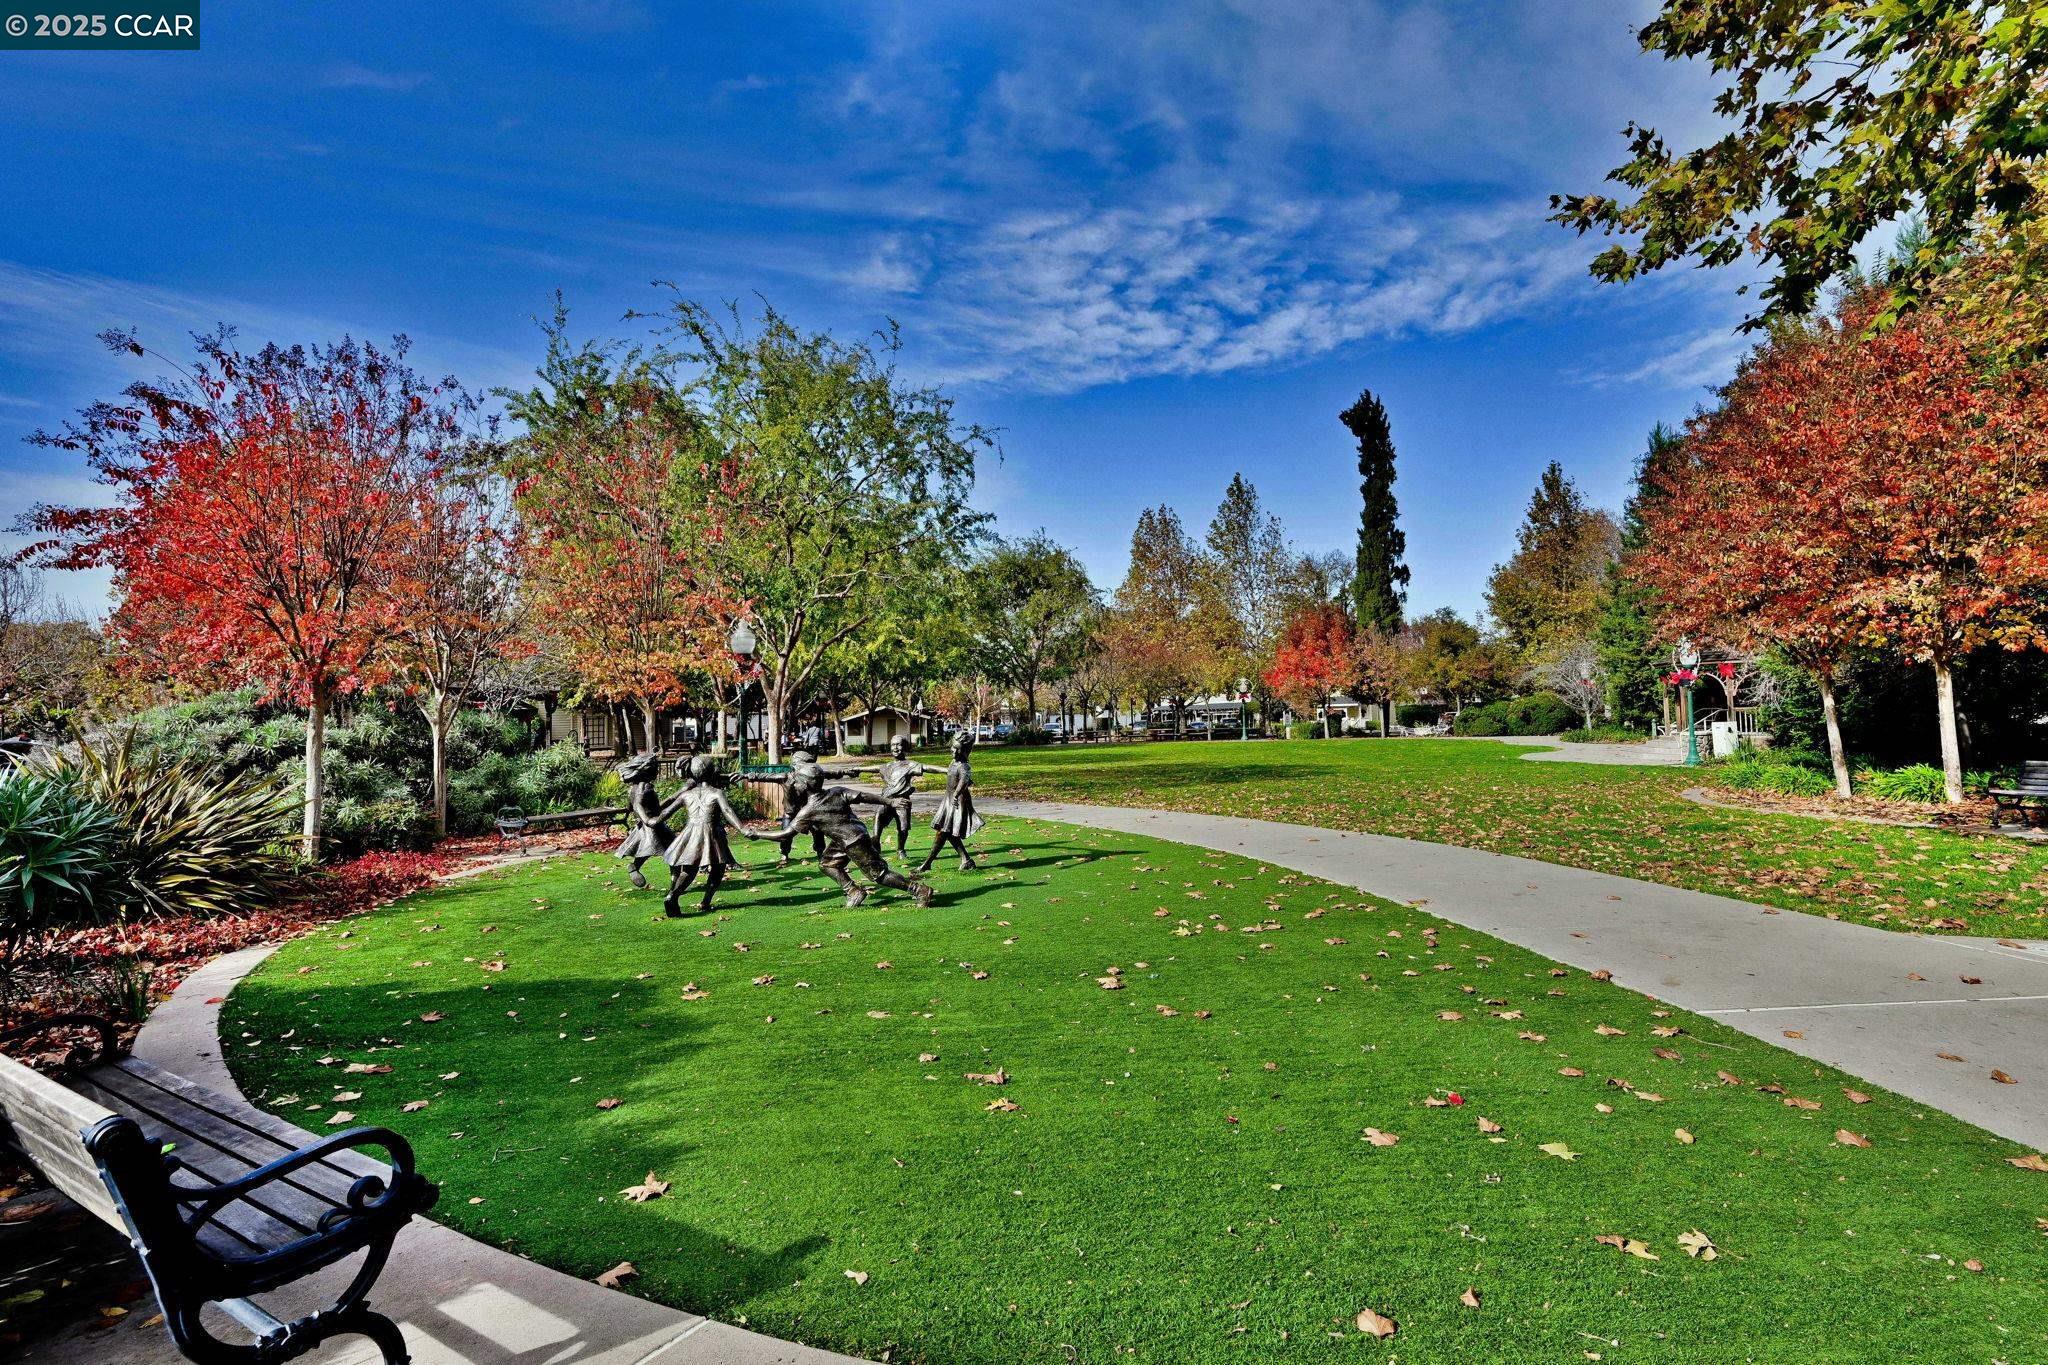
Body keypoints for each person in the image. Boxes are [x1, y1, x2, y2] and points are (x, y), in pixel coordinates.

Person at [781, 784, 934, 907]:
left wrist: (757, 833)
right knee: (827, 864)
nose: (795, 785)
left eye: (798, 782)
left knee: (879, 875)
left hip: (853, 840)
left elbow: (785, 834)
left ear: (806, 784)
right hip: (846, 837)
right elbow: (863, 796)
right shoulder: (836, 791)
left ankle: (920, 890)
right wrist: (889, 801)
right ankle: (854, 891)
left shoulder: (809, 810)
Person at [659, 755, 752, 917]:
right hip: (712, 834)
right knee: (718, 868)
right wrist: (741, 828)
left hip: (692, 833)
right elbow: (728, 811)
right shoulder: (717, 793)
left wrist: (652, 820)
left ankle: (673, 895)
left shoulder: (687, 794)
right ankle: (706, 901)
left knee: (689, 869)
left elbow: (667, 811)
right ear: (712, 772)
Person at [919, 729, 983, 873]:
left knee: (943, 832)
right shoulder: (953, 762)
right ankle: (966, 860)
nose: (954, 751)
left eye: (958, 749)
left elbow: (963, 782)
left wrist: (956, 794)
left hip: (958, 801)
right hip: (948, 800)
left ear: (966, 750)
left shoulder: (964, 766)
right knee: (948, 832)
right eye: (953, 747)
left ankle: (927, 863)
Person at [611, 752, 674, 890]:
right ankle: (675, 878)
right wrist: (646, 819)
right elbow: (638, 804)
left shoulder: (632, 788)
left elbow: (630, 806)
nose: (657, 771)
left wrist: (673, 797)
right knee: (674, 848)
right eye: (656, 768)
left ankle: (634, 866)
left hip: (644, 825)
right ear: (648, 771)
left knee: (647, 850)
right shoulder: (645, 786)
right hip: (652, 824)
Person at [753, 750, 827, 866]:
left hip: (809, 809)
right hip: (791, 812)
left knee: (818, 831)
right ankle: (784, 854)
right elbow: (765, 776)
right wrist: (748, 776)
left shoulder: (811, 775)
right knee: (785, 834)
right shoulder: (786, 777)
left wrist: (848, 772)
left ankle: (821, 853)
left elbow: (834, 773)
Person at [871, 735, 933, 859]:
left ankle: (900, 849)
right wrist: (850, 770)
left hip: (902, 801)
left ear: (904, 747)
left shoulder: (910, 765)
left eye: (898, 745)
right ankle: (875, 845)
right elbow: (871, 768)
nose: (896, 748)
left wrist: (949, 770)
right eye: (893, 745)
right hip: (887, 800)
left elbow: (927, 767)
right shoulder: (886, 766)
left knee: (903, 828)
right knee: (878, 818)